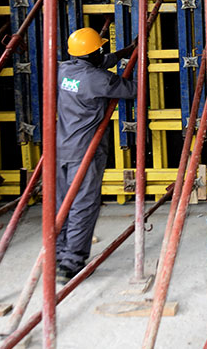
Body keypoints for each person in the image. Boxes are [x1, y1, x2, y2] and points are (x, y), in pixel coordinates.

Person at [55, 27, 136, 280]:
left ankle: (58, 253)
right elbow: (131, 89)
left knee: (63, 203)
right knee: (84, 204)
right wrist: (138, 62)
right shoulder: (98, 80)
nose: (103, 51)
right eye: (100, 49)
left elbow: (97, 62)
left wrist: (123, 52)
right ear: (92, 54)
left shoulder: (63, 71)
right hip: (85, 151)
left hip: (61, 148)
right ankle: (72, 262)